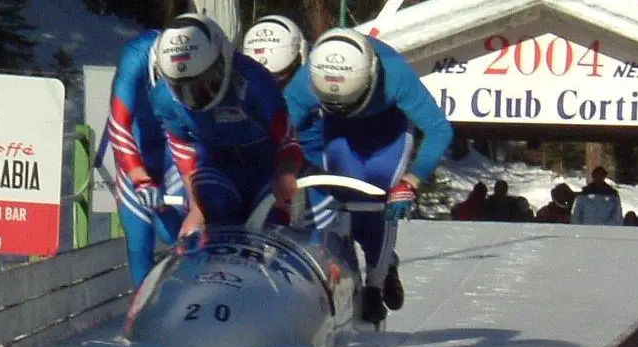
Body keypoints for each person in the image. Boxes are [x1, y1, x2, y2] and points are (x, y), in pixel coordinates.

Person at [284, 28, 453, 322]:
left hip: (389, 131)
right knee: (341, 195)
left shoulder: (396, 75)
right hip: (339, 128)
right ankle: (346, 270)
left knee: (378, 194)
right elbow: (279, 128)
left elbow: (439, 129)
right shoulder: (308, 80)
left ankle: (377, 278)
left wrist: (411, 181)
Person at [151, 13, 302, 234]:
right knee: (215, 207)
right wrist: (196, 208)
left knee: (271, 223)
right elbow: (183, 151)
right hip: (217, 168)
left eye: (205, 82)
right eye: (181, 87)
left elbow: (287, 141)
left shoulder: (256, 84)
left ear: (223, 60)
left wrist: (285, 173)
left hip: (266, 169)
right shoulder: (164, 98)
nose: (195, 94)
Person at [105, 29, 186, 287]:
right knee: (138, 243)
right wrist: (139, 178)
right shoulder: (134, 58)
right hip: (139, 146)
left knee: (173, 232)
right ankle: (140, 309)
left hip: (174, 146)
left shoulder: (195, 54)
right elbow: (118, 125)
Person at [241, 15, 336, 230]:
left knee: (326, 236)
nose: (270, 88)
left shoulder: (319, 80)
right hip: (266, 173)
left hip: (317, 176)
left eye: (279, 78)